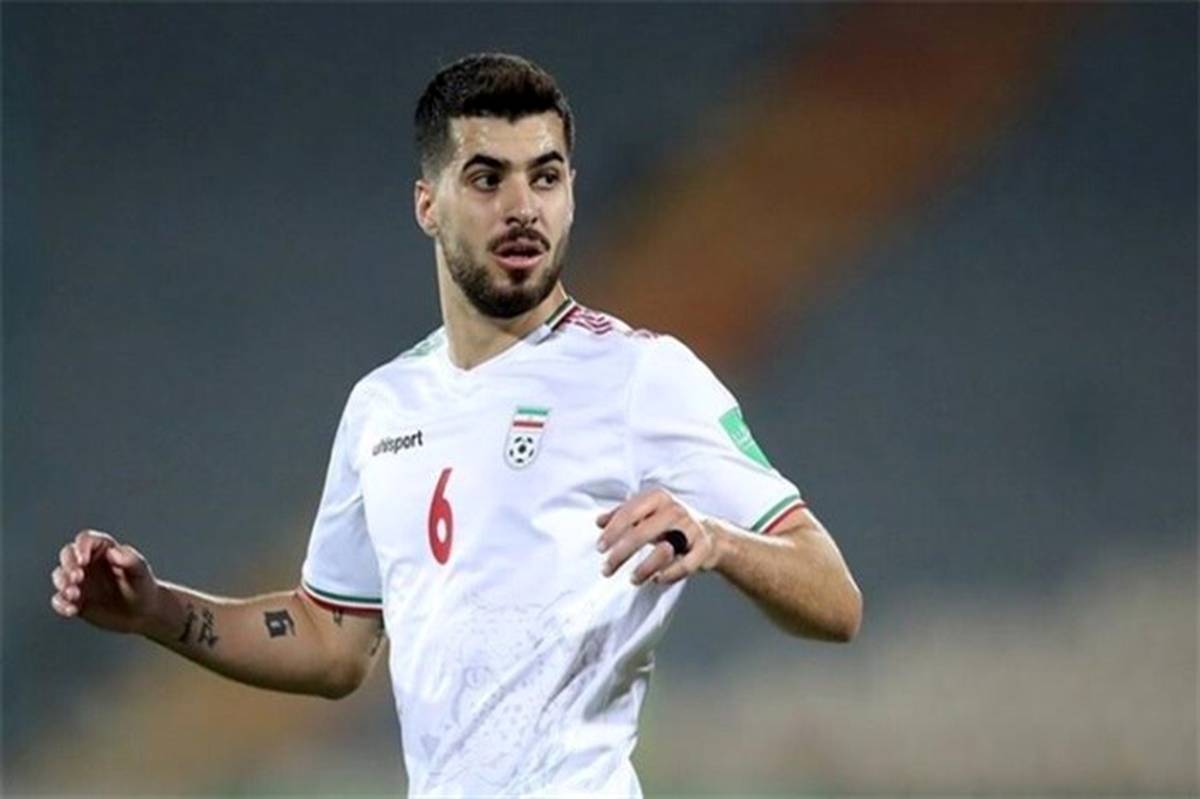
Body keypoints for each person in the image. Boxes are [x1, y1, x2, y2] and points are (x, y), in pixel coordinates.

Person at [50, 52, 862, 796]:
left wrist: (719, 540)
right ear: (427, 204)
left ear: (572, 192)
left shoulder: (640, 374)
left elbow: (835, 597)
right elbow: (332, 642)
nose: (523, 208)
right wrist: (156, 610)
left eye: (545, 177)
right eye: (486, 178)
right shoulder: (384, 405)